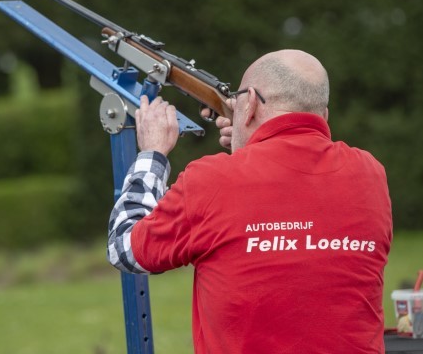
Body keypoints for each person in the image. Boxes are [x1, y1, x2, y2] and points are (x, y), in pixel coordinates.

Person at [107, 49, 392, 353]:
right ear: (324, 114)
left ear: (251, 102)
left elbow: (124, 248)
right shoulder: (370, 173)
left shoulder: (211, 180)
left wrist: (152, 153)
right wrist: (251, 143)